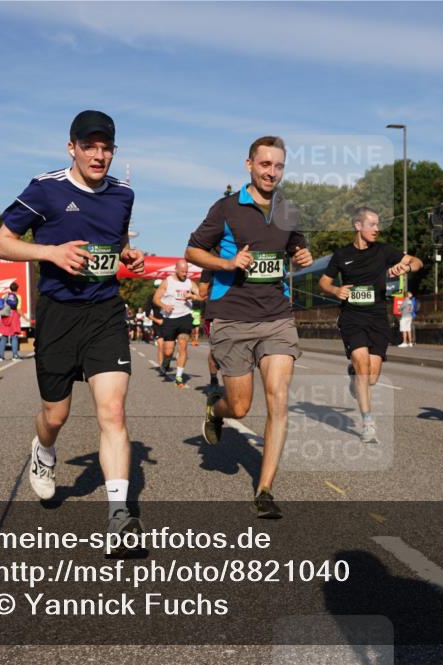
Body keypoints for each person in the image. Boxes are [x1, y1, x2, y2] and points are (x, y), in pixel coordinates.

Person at [0, 109, 146, 544]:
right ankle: (43, 451)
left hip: (104, 313)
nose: (99, 155)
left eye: (106, 147)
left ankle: (119, 518)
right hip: (59, 314)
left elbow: (115, 245)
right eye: (89, 146)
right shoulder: (45, 189)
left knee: (112, 412)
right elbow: (0, 243)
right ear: (71, 147)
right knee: (55, 415)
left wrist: (127, 256)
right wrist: (51, 253)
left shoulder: (123, 195)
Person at [186, 135, 313, 518]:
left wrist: (303, 255)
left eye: (278, 166)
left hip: (276, 316)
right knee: (240, 407)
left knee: (279, 399)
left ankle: (265, 489)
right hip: (232, 316)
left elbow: (297, 247)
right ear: (249, 165)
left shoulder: (288, 209)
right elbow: (193, 249)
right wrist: (227, 264)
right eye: (265, 165)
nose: (271, 172)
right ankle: (216, 409)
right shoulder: (226, 208)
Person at [319, 207, 423, 443]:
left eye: (378, 225)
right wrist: (336, 290)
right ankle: (368, 423)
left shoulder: (384, 251)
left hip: (377, 317)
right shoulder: (341, 254)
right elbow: (323, 282)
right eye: (372, 224)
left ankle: (353, 375)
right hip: (352, 318)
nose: (377, 229)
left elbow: (418, 262)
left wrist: (405, 267)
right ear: (358, 226)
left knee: (372, 377)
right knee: (363, 368)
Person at [153, 260, 200, 388]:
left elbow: (201, 295)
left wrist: (192, 296)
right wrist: (164, 305)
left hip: (185, 317)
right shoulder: (167, 281)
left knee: (183, 347)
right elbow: (155, 298)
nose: (185, 274)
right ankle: (166, 363)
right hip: (170, 318)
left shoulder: (190, 282)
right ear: (176, 270)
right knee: (168, 351)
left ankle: (179, 377)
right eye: (183, 272)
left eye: (187, 272)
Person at [197, 268, 221, 393]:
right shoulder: (209, 267)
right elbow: (202, 292)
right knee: (215, 348)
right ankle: (213, 379)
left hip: (239, 311)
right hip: (215, 312)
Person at [0, 284, 23, 360]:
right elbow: (18, 308)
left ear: (10, 288)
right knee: (14, 336)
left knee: (4, 336)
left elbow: (1, 306)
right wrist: (23, 317)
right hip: (14, 316)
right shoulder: (18, 296)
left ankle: (1, 356)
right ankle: (15, 355)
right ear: (17, 289)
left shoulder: (4, 296)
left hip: (4, 316)